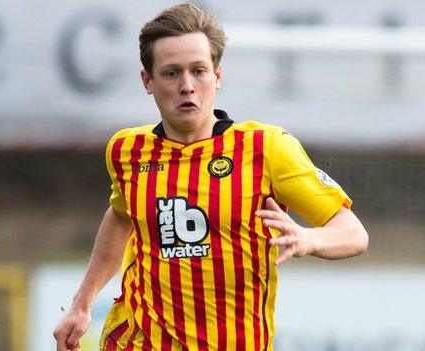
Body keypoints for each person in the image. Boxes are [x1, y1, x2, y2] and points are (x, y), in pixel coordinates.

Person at [53, 3, 368, 351]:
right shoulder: (127, 151)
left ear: (217, 76)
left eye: (198, 71)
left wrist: (310, 240)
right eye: (172, 73)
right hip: (138, 341)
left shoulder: (267, 148)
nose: (187, 86)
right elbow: (121, 215)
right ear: (148, 81)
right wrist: (82, 304)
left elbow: (353, 233)